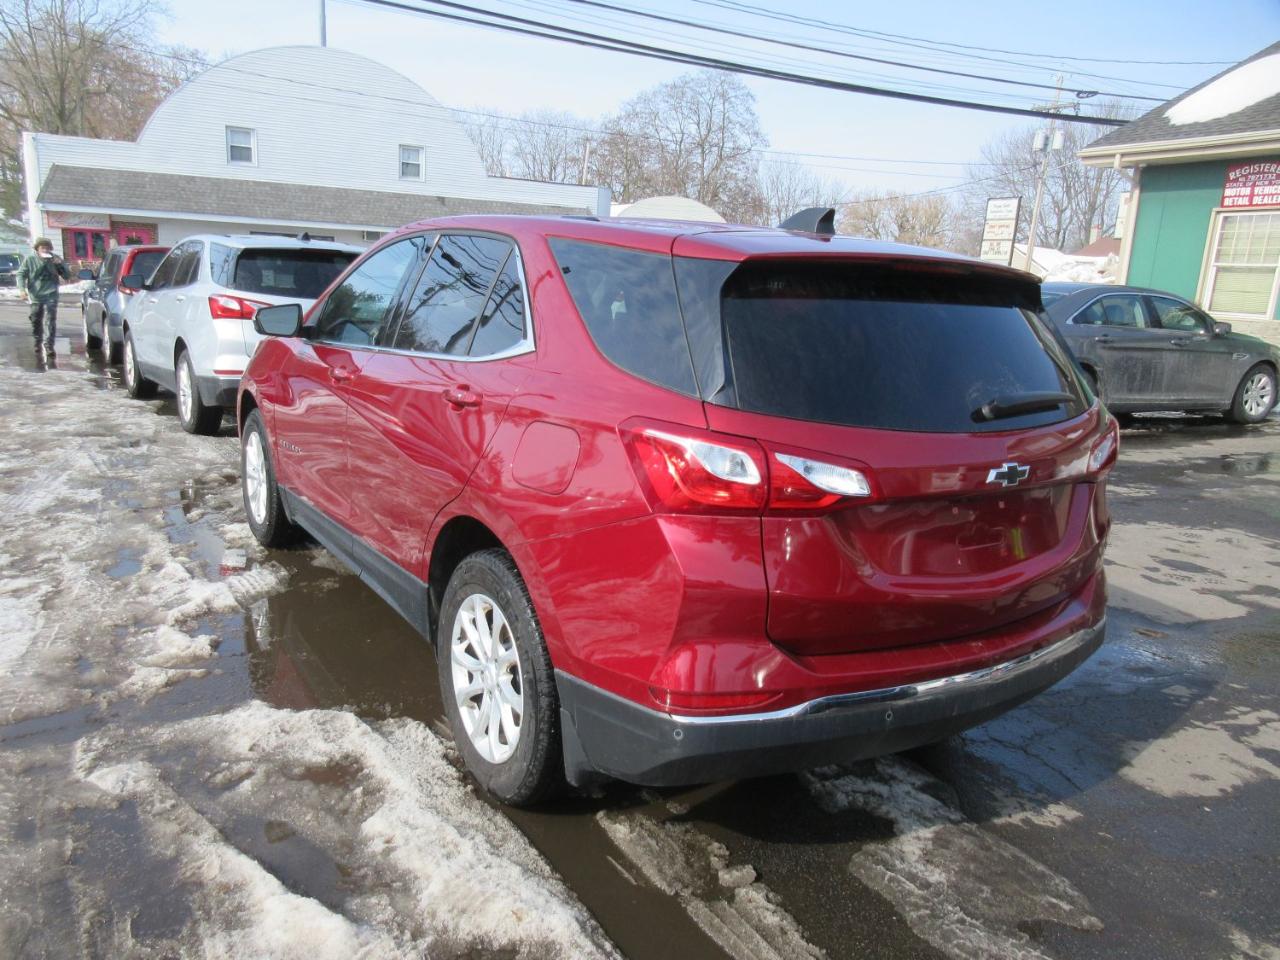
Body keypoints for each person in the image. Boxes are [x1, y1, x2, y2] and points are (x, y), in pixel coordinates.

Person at [17, 237, 72, 355]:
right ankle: (37, 341)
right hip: (36, 294)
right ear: (37, 249)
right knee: (36, 318)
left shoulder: (55, 259)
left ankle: (49, 345)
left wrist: (60, 264)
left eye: (47, 247)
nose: (45, 250)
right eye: (42, 247)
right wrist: (22, 290)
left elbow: (67, 276)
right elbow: (21, 274)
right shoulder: (30, 259)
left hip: (51, 294)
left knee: (50, 319)